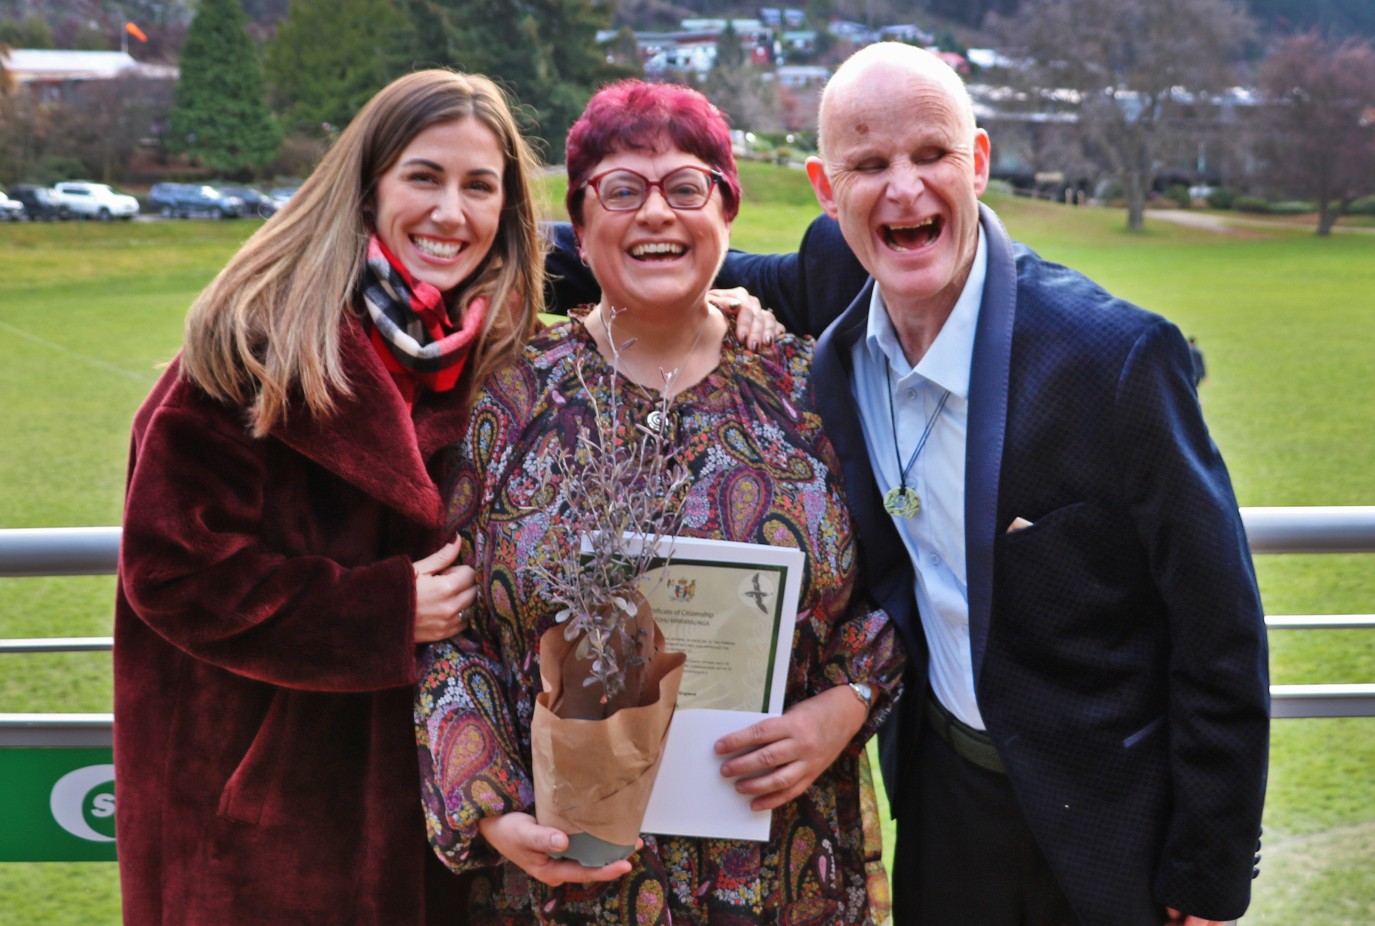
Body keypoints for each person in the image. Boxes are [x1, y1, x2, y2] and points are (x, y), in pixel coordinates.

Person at [549, 44, 1270, 926]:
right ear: (824, 186)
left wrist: (1207, 876)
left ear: (976, 161)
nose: (902, 190)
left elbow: (1219, 629)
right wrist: (457, 249)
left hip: (1110, 824)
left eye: (930, 155)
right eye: (868, 165)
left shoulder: (1114, 359)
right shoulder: (837, 286)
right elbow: (673, 258)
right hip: (941, 805)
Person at [415, 80, 905, 924]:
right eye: (622, 190)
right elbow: (449, 629)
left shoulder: (817, 389)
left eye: (685, 188)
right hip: (561, 882)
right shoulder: (506, 394)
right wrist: (491, 810)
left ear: (726, 209)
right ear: (578, 212)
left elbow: (910, 578)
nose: (656, 215)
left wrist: (846, 703)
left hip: (778, 876)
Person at [113, 69, 547, 924]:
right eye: (423, 177)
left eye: (478, 186)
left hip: (448, 816)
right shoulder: (254, 341)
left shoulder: (502, 349)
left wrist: (728, 305)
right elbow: (172, 569)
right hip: (272, 823)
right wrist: (377, 612)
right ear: (368, 184)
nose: (450, 213)